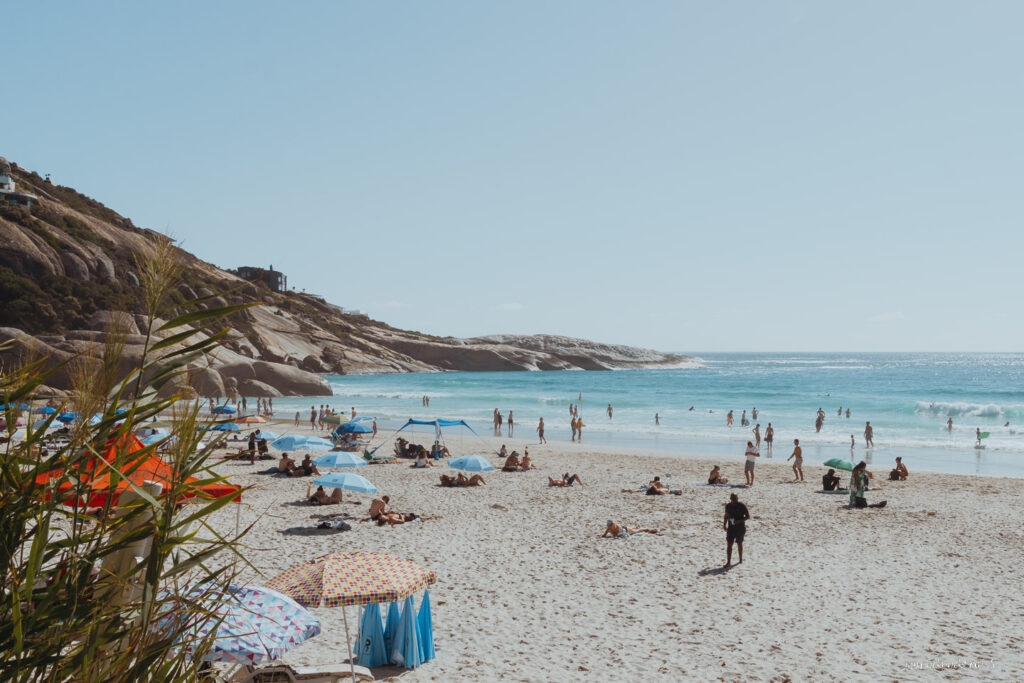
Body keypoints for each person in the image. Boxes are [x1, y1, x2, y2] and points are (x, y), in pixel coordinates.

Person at [723, 493, 749, 567]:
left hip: (740, 527)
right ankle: (728, 562)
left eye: (735, 498)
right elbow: (726, 515)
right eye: (733, 498)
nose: (734, 500)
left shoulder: (741, 506)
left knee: (739, 543)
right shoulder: (728, 506)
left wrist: (739, 521)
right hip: (731, 527)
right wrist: (724, 525)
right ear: (730, 498)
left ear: (737, 498)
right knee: (729, 544)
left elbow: (747, 516)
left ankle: (740, 559)